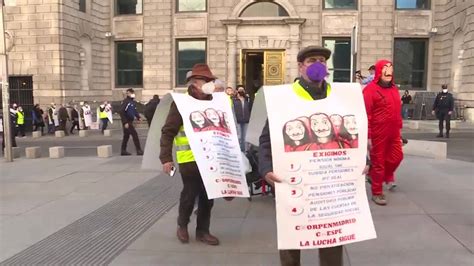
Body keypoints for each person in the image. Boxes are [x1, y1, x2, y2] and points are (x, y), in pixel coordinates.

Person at [258, 46, 344, 266]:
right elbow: (266, 140)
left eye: (322, 61)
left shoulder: (340, 97)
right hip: (293, 181)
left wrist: (363, 162)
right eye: (312, 60)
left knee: (332, 240)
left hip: (329, 184)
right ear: (300, 66)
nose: (318, 64)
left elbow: (353, 136)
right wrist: (266, 169)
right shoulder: (284, 98)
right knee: (291, 238)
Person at [160, 63, 220, 246]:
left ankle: (203, 231)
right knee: (189, 194)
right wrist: (166, 159)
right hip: (190, 160)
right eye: (205, 80)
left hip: (211, 159)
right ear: (194, 83)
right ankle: (182, 226)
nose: (209, 83)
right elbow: (168, 131)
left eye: (210, 80)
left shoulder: (216, 102)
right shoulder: (181, 104)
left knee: (208, 197)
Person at [363, 59, 403, 205]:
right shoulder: (370, 90)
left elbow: (397, 111)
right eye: (385, 69)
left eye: (390, 69)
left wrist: (399, 130)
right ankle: (377, 192)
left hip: (393, 131)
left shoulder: (394, 89)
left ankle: (378, 176)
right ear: (379, 72)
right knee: (378, 162)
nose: (388, 72)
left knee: (397, 157)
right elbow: (366, 114)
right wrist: (368, 136)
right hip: (377, 132)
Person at [119, 88, 143, 156]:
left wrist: (138, 117)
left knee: (126, 136)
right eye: (130, 93)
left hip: (130, 121)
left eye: (132, 93)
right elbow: (121, 111)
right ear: (128, 94)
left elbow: (134, 111)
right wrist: (125, 122)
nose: (132, 94)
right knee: (135, 135)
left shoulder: (132, 102)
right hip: (127, 122)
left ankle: (123, 150)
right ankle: (139, 150)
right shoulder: (126, 102)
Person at [232, 85, 252, 151]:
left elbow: (251, 108)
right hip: (237, 120)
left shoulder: (247, 99)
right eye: (239, 90)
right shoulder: (233, 99)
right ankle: (239, 151)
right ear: (237, 91)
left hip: (246, 120)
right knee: (239, 136)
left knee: (245, 137)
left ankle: (245, 151)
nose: (241, 91)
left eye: (242, 90)